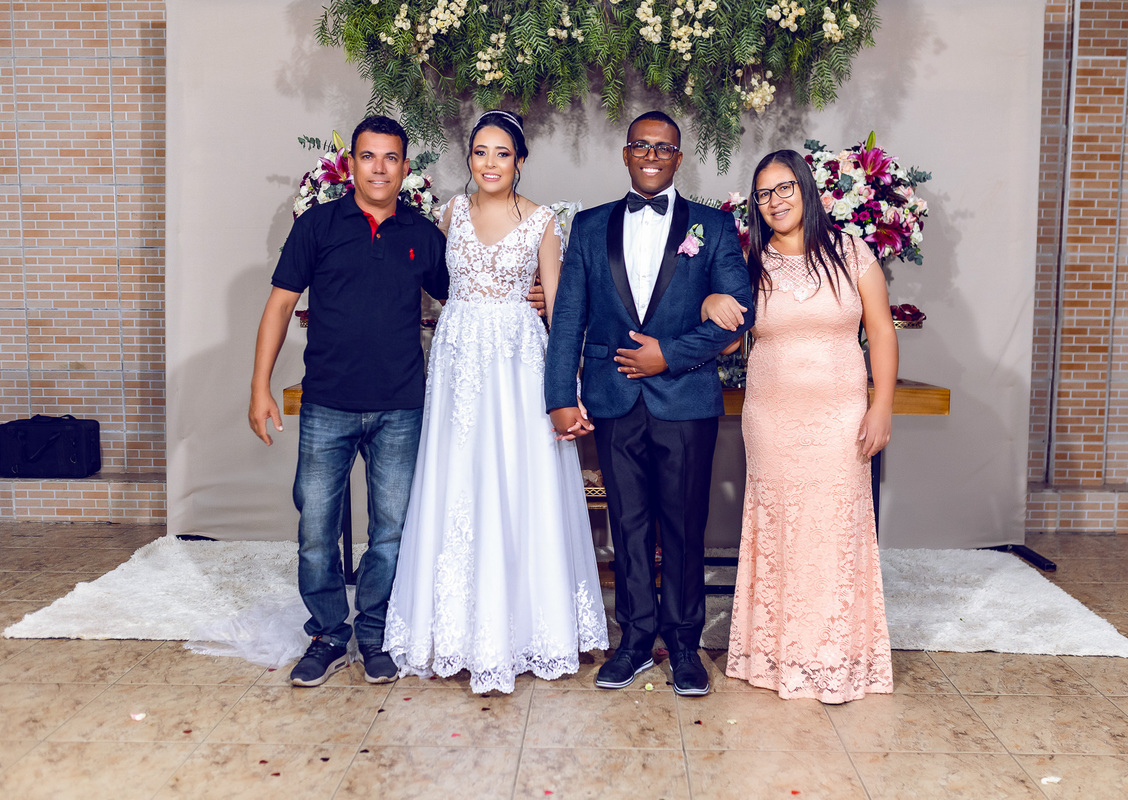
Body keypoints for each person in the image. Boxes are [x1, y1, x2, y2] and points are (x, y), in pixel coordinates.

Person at [382, 110, 608, 694]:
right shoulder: (450, 214)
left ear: (520, 161)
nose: (489, 163)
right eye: (480, 152)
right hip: (458, 364)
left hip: (517, 363)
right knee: (458, 479)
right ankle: (454, 630)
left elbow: (560, 310)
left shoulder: (543, 222)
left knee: (516, 478)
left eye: (502, 153)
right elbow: (433, 287)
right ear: (470, 159)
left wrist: (566, 387)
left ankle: (529, 628)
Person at [544, 111, 754, 697]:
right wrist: (560, 395)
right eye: (642, 145)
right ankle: (634, 641)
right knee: (628, 523)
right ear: (626, 153)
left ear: (679, 158)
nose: (652, 155)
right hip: (613, 398)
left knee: (684, 525)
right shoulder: (589, 227)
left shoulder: (713, 226)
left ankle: (684, 644)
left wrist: (670, 355)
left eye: (664, 148)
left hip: (685, 398)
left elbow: (740, 310)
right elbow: (569, 316)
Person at [249, 115, 450, 687]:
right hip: (328, 403)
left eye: (391, 158)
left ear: (405, 168)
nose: (379, 168)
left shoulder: (422, 235)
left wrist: (533, 296)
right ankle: (329, 634)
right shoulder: (317, 226)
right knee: (316, 527)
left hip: (400, 407)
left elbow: (466, 301)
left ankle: (376, 631)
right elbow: (279, 306)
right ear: (351, 165)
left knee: (392, 529)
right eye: (368, 156)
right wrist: (260, 388)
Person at [708, 148, 897, 703]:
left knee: (835, 531)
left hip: (840, 419)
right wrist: (710, 302)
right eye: (763, 193)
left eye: (784, 187)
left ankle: (837, 657)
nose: (775, 201)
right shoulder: (749, 263)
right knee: (780, 533)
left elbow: (881, 332)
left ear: (806, 188)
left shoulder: (851, 252)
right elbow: (728, 341)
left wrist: (881, 405)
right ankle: (775, 656)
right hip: (771, 421)